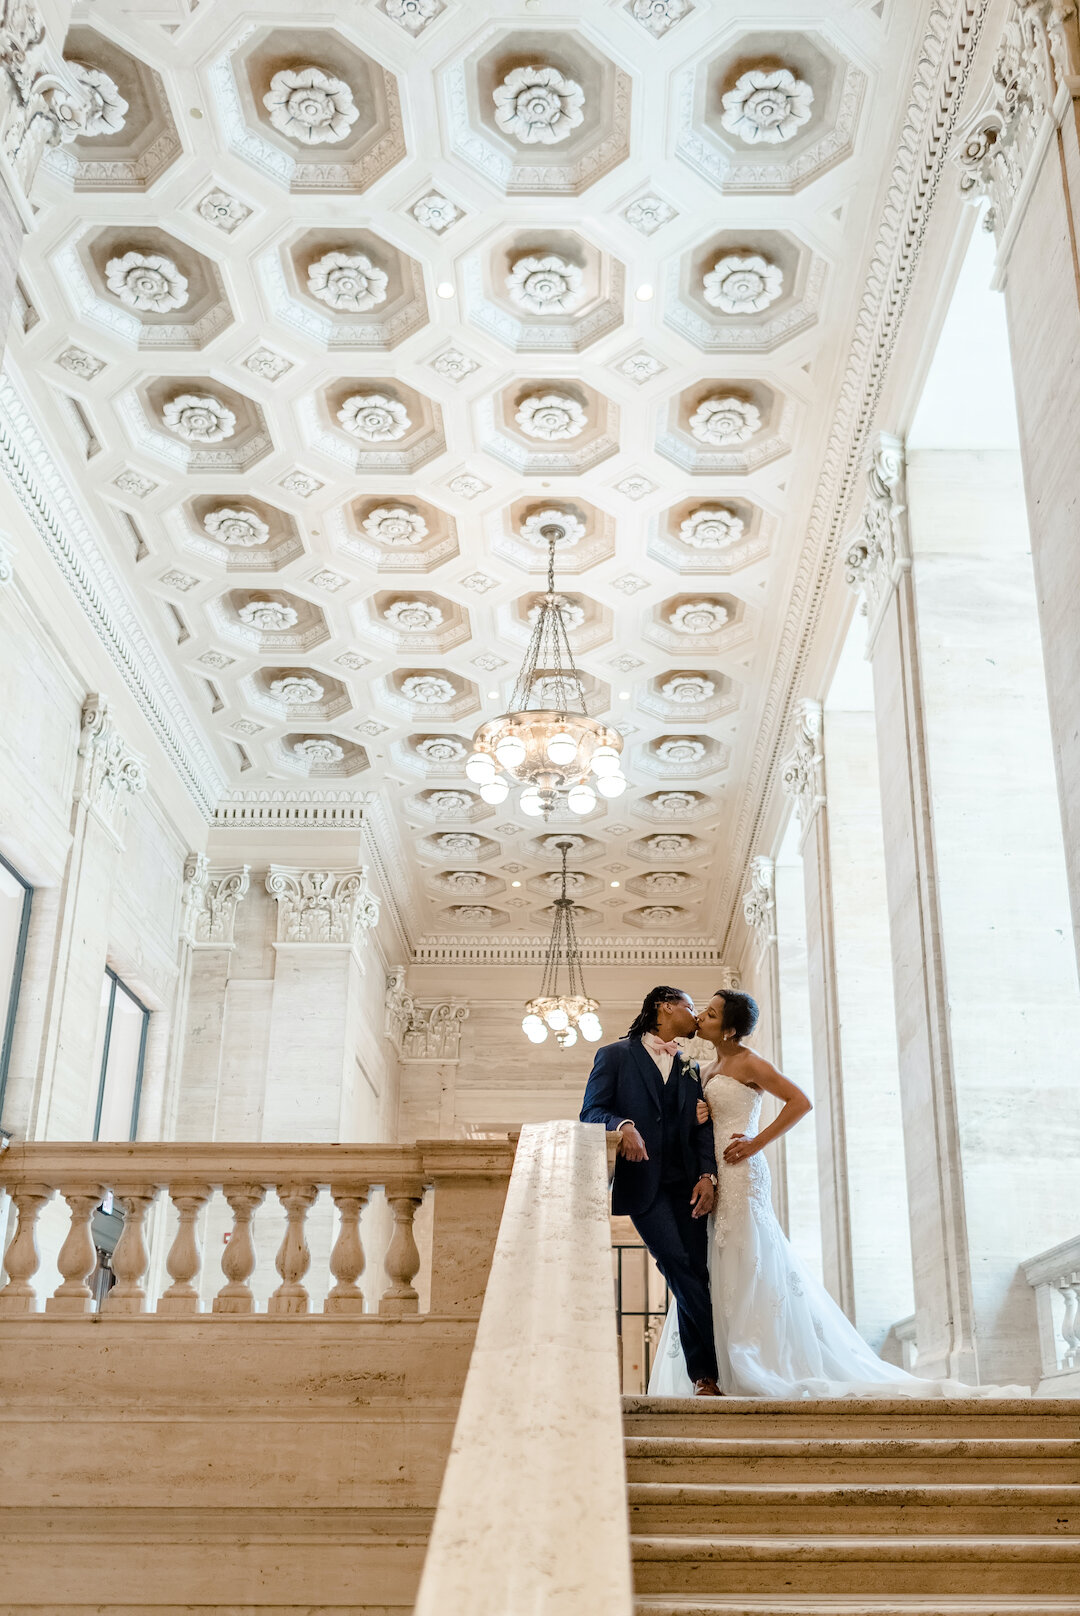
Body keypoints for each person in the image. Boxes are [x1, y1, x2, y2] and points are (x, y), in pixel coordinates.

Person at [649, 988, 1029, 1399]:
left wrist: (757, 1143)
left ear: (732, 1028)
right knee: (710, 1261)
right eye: (703, 1011)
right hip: (712, 1174)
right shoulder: (704, 1068)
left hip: (743, 1171)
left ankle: (757, 1358)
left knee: (745, 1256)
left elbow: (800, 1101)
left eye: (711, 1013)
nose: (702, 1017)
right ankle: (713, 1366)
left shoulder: (750, 1062)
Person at [580, 986, 722, 1396]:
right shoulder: (614, 1055)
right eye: (690, 1006)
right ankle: (715, 1362)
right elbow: (591, 1110)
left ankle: (705, 1378)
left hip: (688, 1184)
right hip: (644, 1184)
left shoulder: (690, 1067)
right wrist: (624, 1127)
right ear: (664, 1006)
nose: (695, 1015)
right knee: (676, 1261)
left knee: (697, 1270)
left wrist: (707, 1176)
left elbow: (702, 1131)